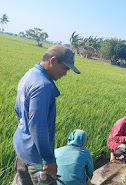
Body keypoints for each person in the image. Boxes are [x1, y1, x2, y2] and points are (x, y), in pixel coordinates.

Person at [12, 45, 80, 184]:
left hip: (21, 148)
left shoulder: (30, 74)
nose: (65, 73)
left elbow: (18, 110)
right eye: (65, 68)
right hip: (37, 158)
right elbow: (38, 127)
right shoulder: (43, 86)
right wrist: (48, 160)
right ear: (53, 60)